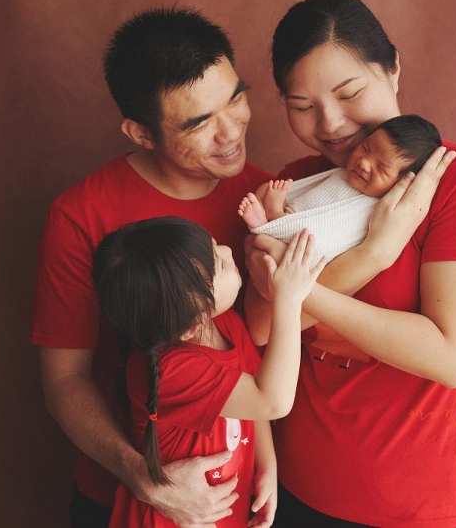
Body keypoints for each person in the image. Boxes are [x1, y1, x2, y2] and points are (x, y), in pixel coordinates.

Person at [244, 0, 456, 527]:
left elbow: (449, 357)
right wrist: (375, 253)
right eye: (301, 106)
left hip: (406, 500)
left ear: (392, 70)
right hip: (290, 483)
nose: (331, 124)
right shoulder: (299, 181)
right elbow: (258, 330)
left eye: (349, 93)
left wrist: (302, 292)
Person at [30, 8, 273, 527]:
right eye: (199, 122)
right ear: (141, 134)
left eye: (234, 99)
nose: (229, 132)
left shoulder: (264, 198)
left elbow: (256, 363)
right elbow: (64, 381)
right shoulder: (82, 215)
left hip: (237, 499)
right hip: (124, 500)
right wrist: (142, 476)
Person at [93, 219, 324, 528]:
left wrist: (266, 464)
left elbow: (255, 402)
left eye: (215, 245)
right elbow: (273, 401)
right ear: (191, 324)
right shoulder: (171, 370)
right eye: (218, 262)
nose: (228, 250)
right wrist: (289, 300)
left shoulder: (226, 324)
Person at [237, 115, 443, 262]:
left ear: (403, 183)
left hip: (299, 249)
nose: (364, 163)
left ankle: (270, 223)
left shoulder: (371, 209)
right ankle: (272, 222)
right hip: (292, 215)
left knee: (302, 246)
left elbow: (323, 243)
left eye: (381, 167)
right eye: (366, 148)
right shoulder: (342, 174)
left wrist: (276, 210)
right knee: (265, 191)